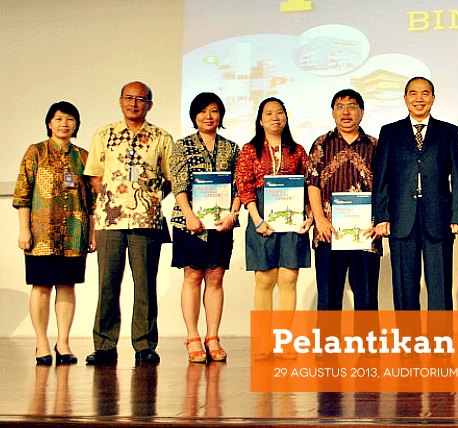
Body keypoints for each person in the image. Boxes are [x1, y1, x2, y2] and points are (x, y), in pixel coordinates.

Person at [83, 82, 173, 365]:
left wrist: (149, 198)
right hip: (110, 219)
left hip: (146, 220)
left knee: (145, 284)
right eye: (129, 98)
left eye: (140, 99)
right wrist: (115, 197)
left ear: (150, 105)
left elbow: (170, 178)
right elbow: (94, 175)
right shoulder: (104, 134)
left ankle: (145, 344)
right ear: (121, 101)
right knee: (107, 284)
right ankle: (104, 345)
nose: (134, 104)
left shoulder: (161, 137)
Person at [372, 77, 458, 335]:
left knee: (440, 286)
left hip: (439, 220)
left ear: (433, 98)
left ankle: (440, 341)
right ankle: (408, 342)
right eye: (413, 93)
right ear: (405, 99)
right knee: (405, 288)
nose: (419, 98)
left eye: (425, 93)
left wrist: (457, 216)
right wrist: (381, 216)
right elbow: (381, 179)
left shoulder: (449, 132)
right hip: (401, 220)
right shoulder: (390, 132)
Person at [14, 101, 95, 365]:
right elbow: (23, 194)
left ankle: (63, 342)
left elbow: (92, 200)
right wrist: (24, 230)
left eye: (70, 119)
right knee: (41, 286)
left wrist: (91, 233)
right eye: (59, 119)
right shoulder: (35, 152)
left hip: (74, 233)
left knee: (67, 286)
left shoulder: (83, 156)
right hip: (41, 234)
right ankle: (41, 343)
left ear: (76, 124)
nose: (64, 124)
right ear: (49, 123)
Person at [235, 98, 313, 356]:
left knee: (289, 278)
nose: (275, 117)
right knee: (265, 279)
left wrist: (310, 216)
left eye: (279, 112)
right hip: (262, 218)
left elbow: (309, 186)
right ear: (260, 120)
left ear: (286, 117)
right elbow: (244, 185)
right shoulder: (250, 150)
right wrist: (256, 219)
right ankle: (265, 341)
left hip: (292, 217)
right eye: (269, 113)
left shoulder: (297, 150)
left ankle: (283, 340)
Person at [170, 92, 241, 363]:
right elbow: (178, 184)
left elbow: (239, 185)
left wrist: (233, 213)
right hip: (189, 223)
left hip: (222, 224)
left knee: (215, 279)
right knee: (192, 276)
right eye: (202, 111)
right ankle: (192, 337)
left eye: (213, 111)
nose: (208, 116)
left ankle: (213, 337)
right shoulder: (182, 146)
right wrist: (189, 215)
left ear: (220, 114)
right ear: (194, 116)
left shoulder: (231, 148)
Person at [306, 89, 380, 332]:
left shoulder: (375, 146)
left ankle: (367, 347)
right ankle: (328, 348)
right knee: (329, 296)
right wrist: (320, 220)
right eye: (340, 106)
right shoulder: (321, 144)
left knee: (366, 297)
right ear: (332, 112)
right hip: (328, 232)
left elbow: (385, 187)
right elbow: (312, 183)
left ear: (362, 112)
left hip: (366, 234)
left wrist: (378, 221)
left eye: (352, 106)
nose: (345, 112)